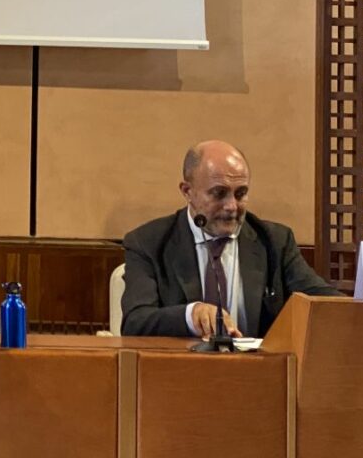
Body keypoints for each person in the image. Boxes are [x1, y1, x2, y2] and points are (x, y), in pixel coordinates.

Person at [121, 140, 342, 338]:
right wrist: (191, 314)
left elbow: (323, 301)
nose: (231, 206)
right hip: (180, 367)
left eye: (240, 193)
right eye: (219, 193)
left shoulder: (275, 242)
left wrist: (359, 305)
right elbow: (135, 322)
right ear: (187, 191)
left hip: (258, 368)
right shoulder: (148, 242)